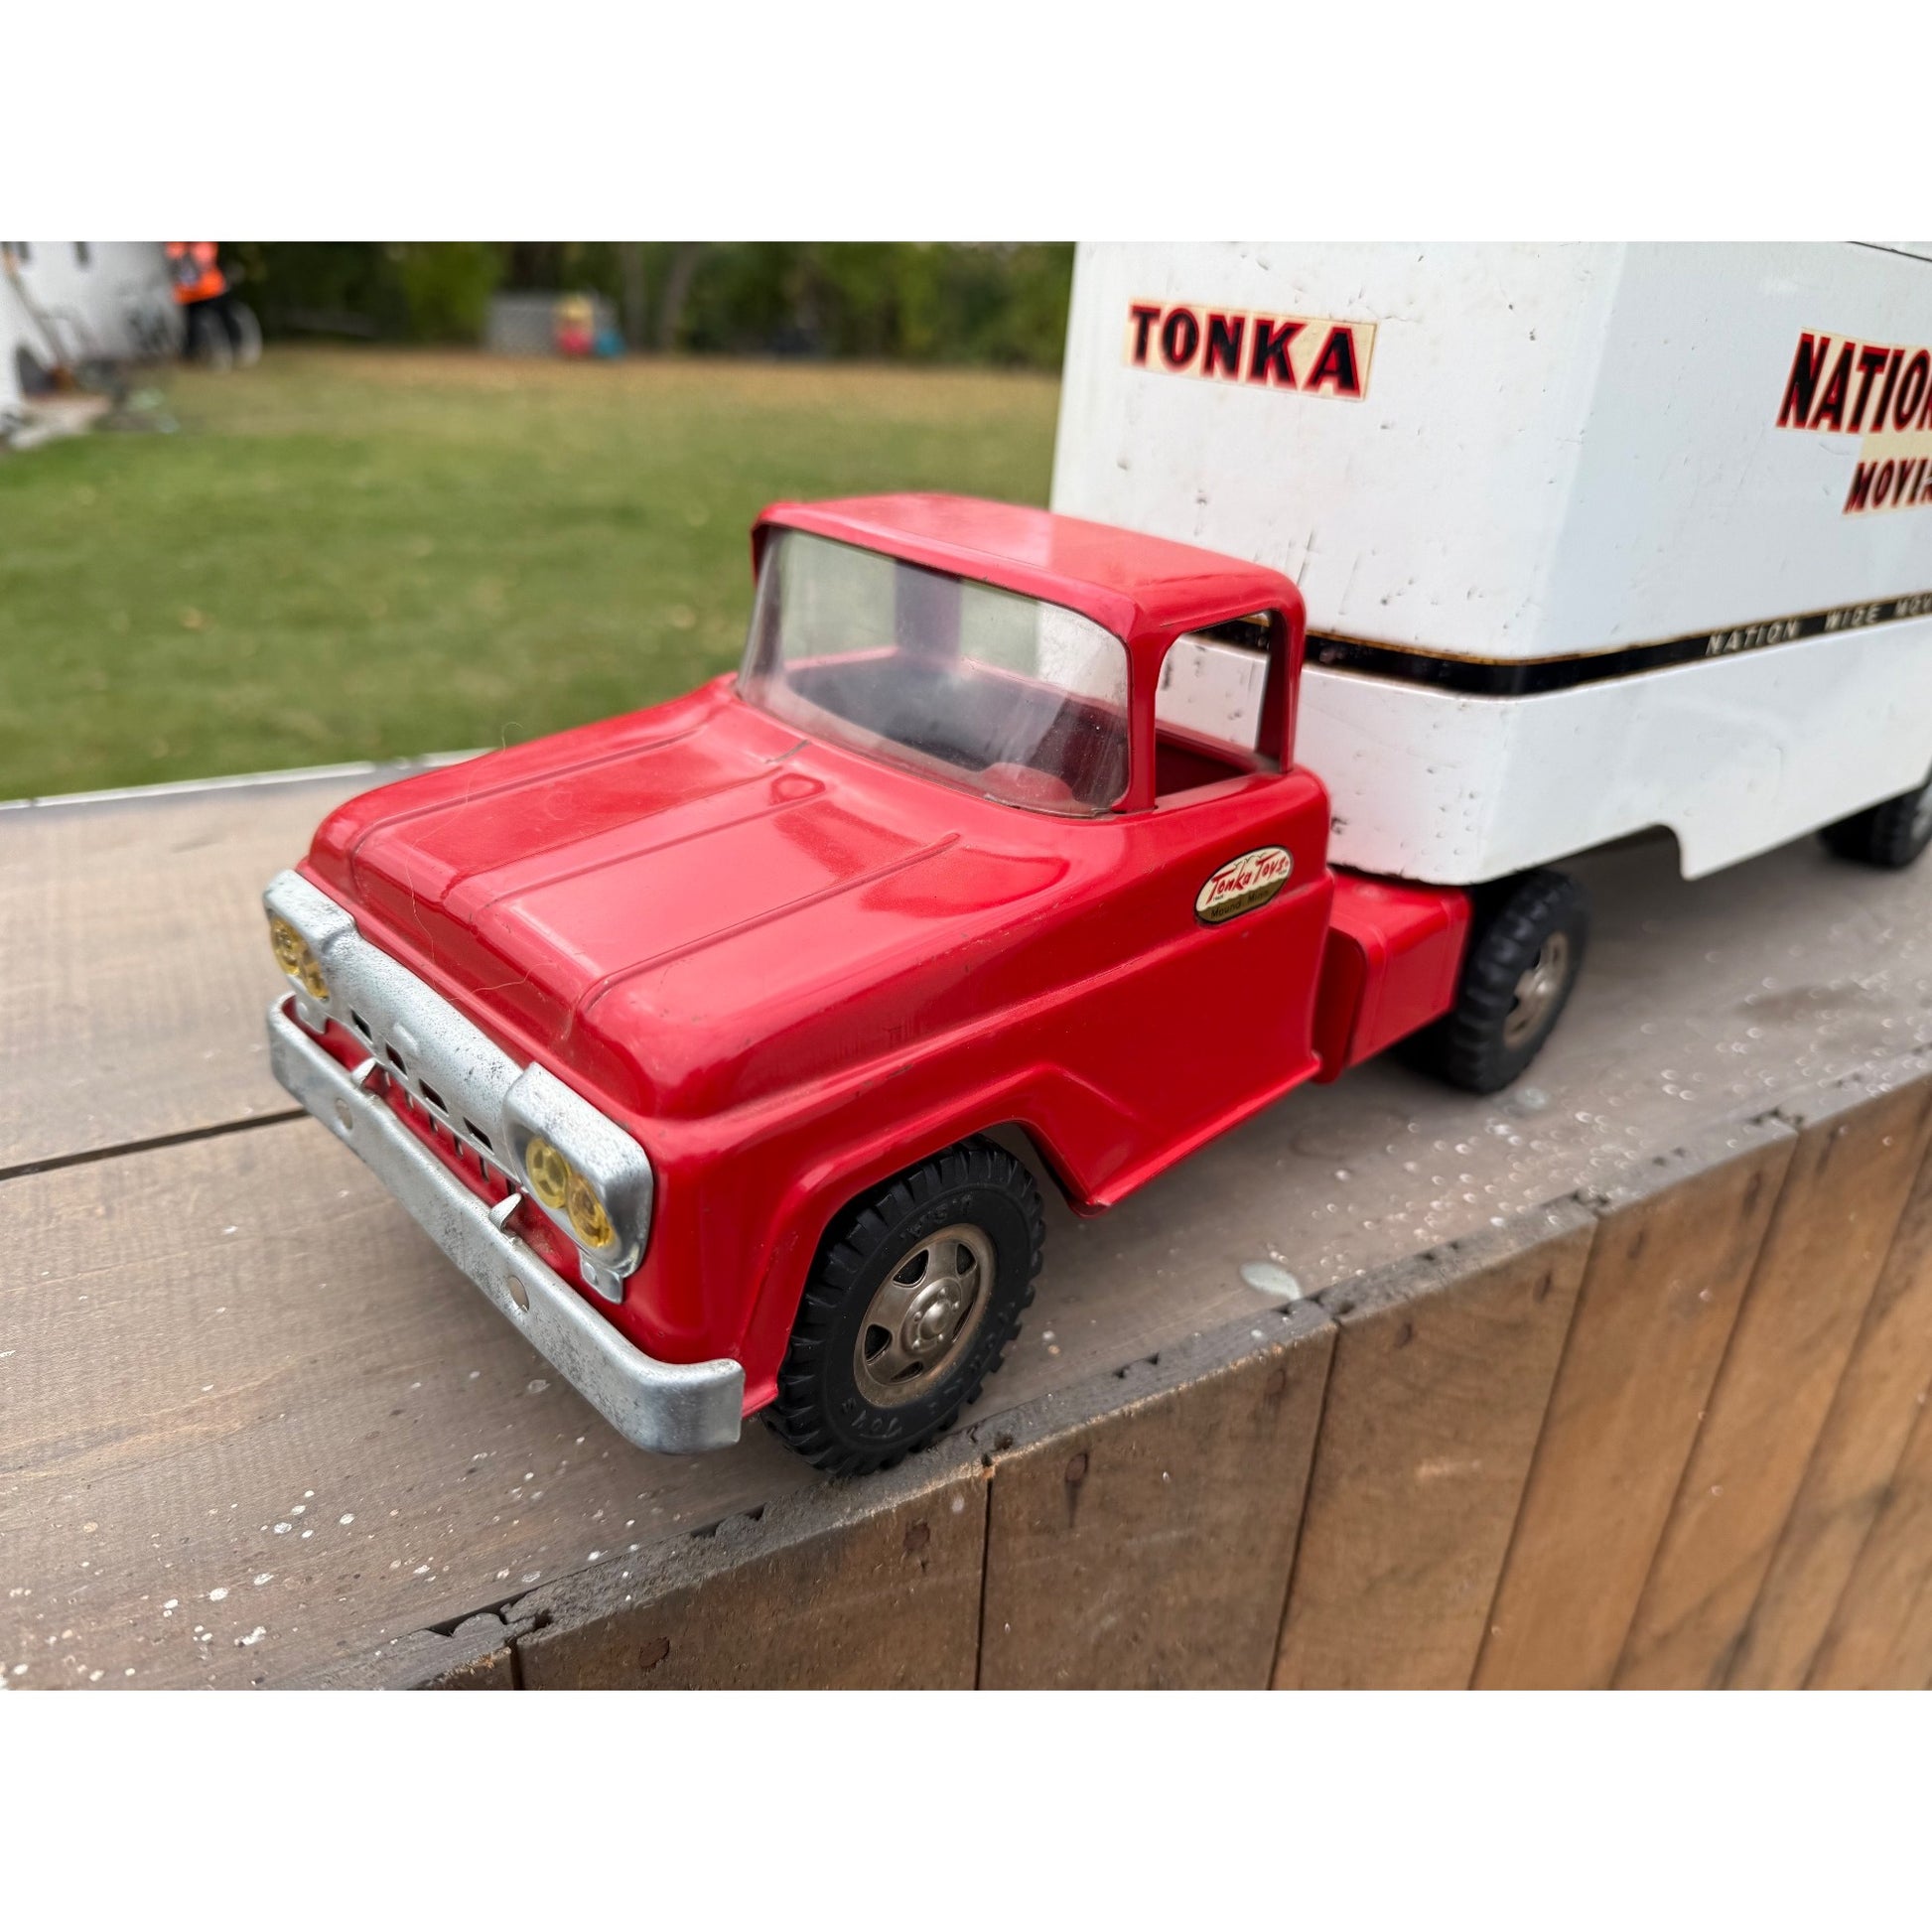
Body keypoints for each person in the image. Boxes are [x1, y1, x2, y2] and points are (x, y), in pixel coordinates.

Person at [167, 243, 242, 365]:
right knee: (191, 324)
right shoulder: (176, 246)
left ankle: (234, 344)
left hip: (210, 291)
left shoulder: (204, 245)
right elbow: (173, 262)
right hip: (189, 295)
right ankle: (191, 353)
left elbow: (206, 262)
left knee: (222, 316)